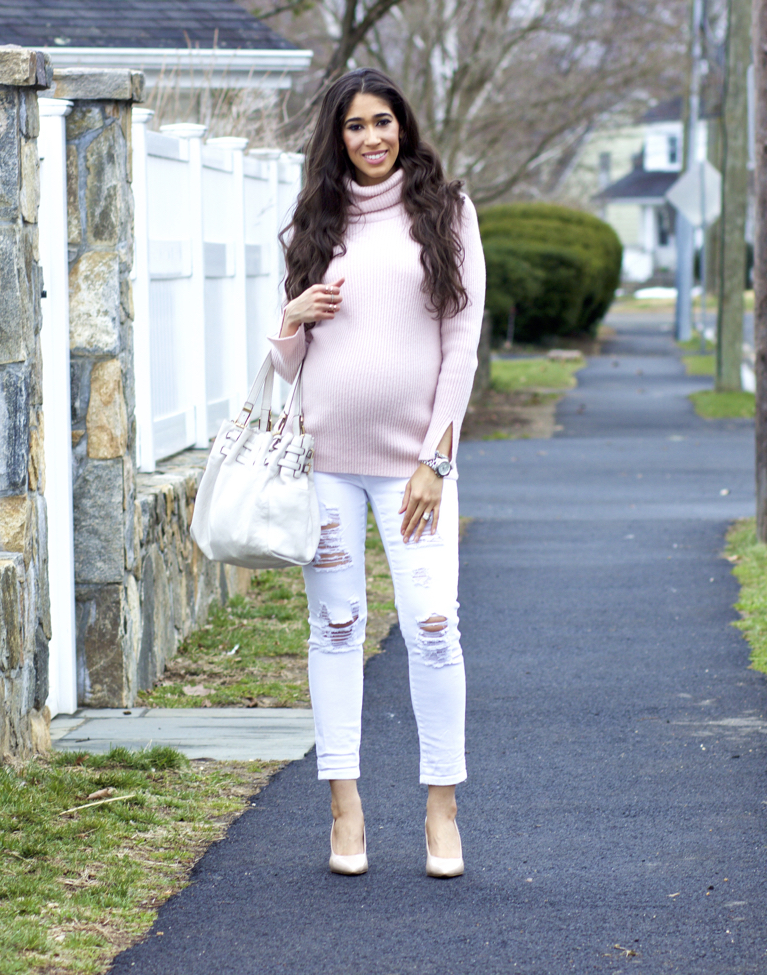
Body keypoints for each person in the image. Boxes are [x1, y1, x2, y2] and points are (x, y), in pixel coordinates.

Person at [268, 67, 485, 878]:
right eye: (355, 126)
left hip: (414, 470)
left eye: (383, 122)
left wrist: (436, 457)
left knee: (432, 628)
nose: (371, 138)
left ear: (404, 126)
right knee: (334, 630)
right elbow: (288, 366)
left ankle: (441, 806)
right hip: (323, 466)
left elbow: (459, 344)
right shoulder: (312, 223)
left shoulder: (447, 211)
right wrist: (288, 322)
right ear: (337, 136)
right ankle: (344, 804)